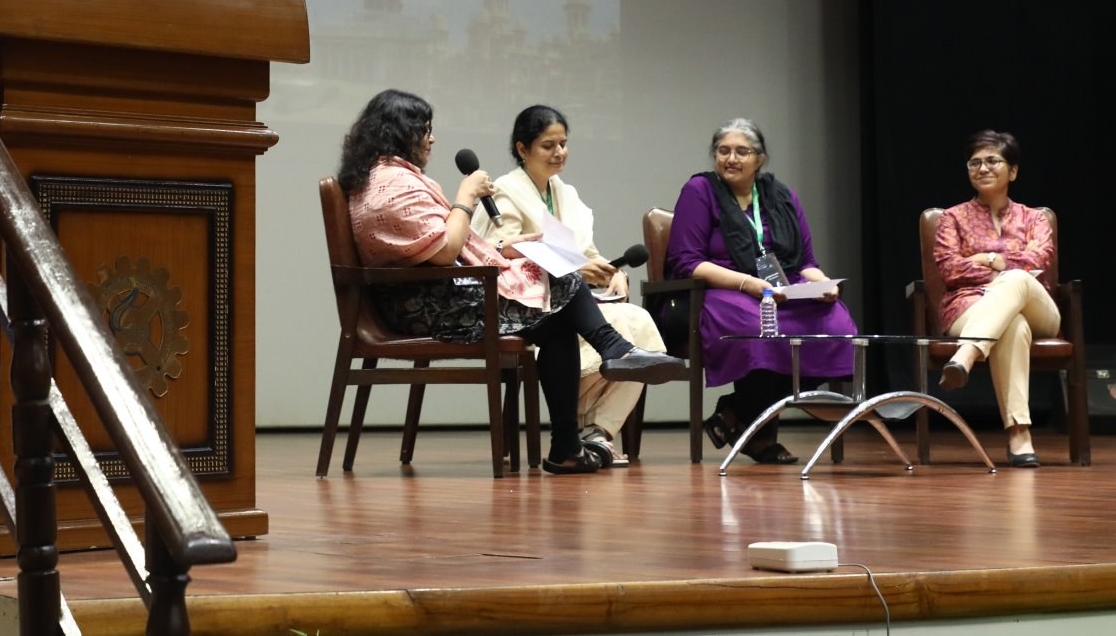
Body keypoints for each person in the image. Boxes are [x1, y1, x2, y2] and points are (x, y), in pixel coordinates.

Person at [338, 89, 684, 475]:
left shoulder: (383, 178)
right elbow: (444, 252)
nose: (431, 138)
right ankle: (612, 351)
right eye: (425, 129)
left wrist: (511, 247)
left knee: (556, 322)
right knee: (562, 282)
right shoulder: (393, 186)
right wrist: (466, 197)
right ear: (399, 131)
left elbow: (446, 245)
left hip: (427, 298)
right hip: (425, 308)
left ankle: (568, 447)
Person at [471, 104, 669, 466]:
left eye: (563, 143)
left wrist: (611, 272)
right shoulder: (504, 192)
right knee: (626, 328)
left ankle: (596, 433)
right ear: (522, 149)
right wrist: (578, 266)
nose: (559, 152)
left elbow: (587, 252)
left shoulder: (566, 192)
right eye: (548, 145)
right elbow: (502, 255)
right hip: (525, 301)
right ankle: (589, 428)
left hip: (569, 295)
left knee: (637, 319)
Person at [661, 118, 855, 464]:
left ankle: (737, 412)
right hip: (722, 289)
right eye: (723, 151)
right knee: (760, 323)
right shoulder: (700, 191)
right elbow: (686, 262)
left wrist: (823, 285)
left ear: (760, 159)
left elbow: (805, 261)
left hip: (781, 287)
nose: (731, 158)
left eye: (741, 151)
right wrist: (746, 283)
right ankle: (759, 435)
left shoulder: (781, 195)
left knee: (836, 324)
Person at [932, 129, 1058, 467]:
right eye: (975, 163)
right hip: (968, 307)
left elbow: (1039, 263)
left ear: (1012, 171)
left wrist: (986, 260)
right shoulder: (952, 218)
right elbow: (949, 271)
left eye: (992, 161)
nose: (982, 168)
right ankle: (1020, 435)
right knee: (1011, 325)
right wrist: (998, 262)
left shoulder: (1035, 219)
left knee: (1016, 280)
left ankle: (967, 354)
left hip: (1036, 306)